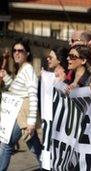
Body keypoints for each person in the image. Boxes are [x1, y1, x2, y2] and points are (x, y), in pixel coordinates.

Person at [0, 39, 42, 170]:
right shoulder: (22, 69)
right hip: (19, 112)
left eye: (20, 51)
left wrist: (31, 121)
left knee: (7, 144)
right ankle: (48, 166)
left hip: (24, 113)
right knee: (35, 147)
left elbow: (33, 95)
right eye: (15, 50)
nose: (16, 53)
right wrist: (6, 76)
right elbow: (15, 89)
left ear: (27, 53)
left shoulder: (28, 69)